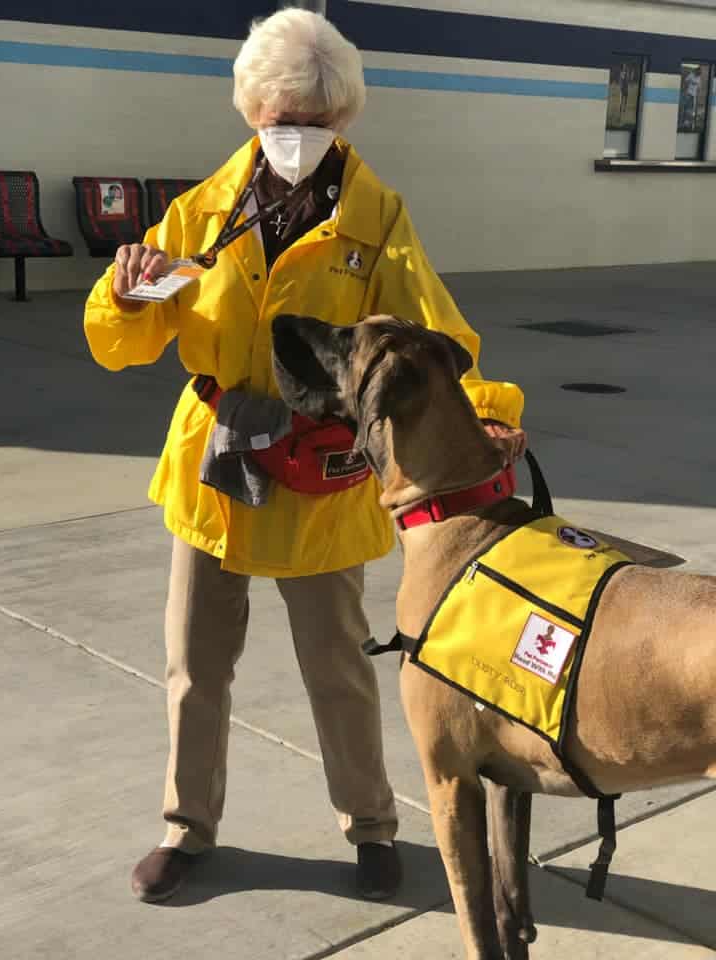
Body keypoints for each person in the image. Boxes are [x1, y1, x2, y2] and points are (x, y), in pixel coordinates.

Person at [83, 7, 525, 905]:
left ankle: (369, 826)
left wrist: (484, 416)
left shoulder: (377, 220)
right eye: (281, 119)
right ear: (251, 110)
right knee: (194, 668)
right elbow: (124, 341)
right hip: (213, 473)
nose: (296, 138)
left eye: (315, 123)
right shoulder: (200, 214)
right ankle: (186, 828)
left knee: (338, 671)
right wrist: (126, 300)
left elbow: (435, 331)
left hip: (320, 482)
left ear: (344, 120)